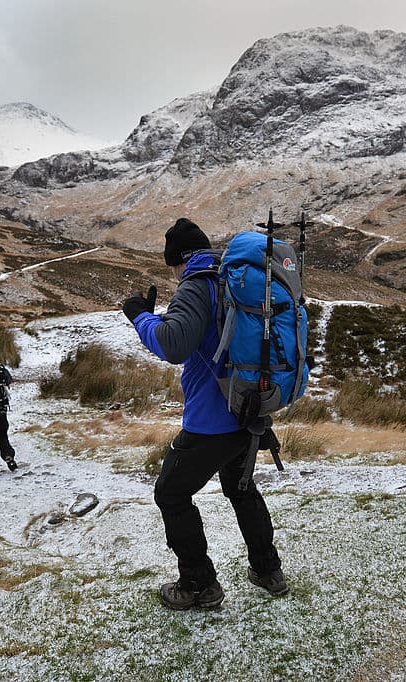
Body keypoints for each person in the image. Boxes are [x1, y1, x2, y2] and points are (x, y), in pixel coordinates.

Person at [123, 217, 287, 610]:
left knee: (171, 493)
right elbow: (207, 334)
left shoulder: (196, 285)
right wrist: (163, 317)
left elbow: (173, 345)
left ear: (179, 261)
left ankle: (199, 585)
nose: (174, 274)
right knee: (242, 489)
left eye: (171, 267)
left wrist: (140, 317)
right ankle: (268, 571)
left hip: (211, 421)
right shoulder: (231, 281)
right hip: (248, 410)